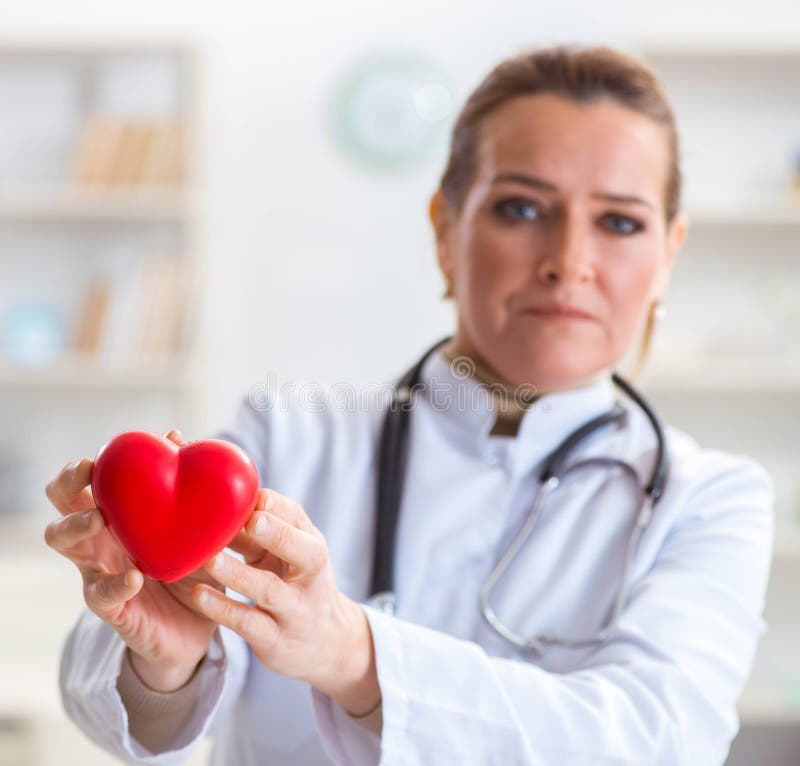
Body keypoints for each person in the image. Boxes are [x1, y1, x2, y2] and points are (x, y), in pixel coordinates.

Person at [44, 45, 774, 765]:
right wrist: (164, 667)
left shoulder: (708, 499)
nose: (569, 260)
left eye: (620, 222)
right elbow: (125, 712)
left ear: (668, 255)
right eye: (522, 208)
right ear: (444, 229)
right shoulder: (289, 435)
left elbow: (661, 743)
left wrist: (351, 653)